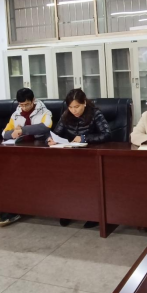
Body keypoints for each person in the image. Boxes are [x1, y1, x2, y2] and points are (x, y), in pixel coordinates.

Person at [47, 88, 110, 228]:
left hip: (91, 157)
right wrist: (51, 140)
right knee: (63, 178)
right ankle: (67, 211)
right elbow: (56, 133)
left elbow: (106, 134)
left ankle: (93, 214)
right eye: (70, 107)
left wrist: (84, 138)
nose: (73, 110)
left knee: (87, 181)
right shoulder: (66, 115)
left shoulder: (95, 114)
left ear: (84, 103)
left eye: (77, 107)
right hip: (71, 156)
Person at [0, 88, 53, 227]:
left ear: (33, 100)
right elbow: (4, 133)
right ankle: (11, 208)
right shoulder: (16, 114)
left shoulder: (44, 111)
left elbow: (46, 126)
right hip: (21, 150)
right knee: (9, 174)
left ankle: (16, 209)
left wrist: (23, 130)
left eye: (27, 104)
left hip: (40, 150)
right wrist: (12, 134)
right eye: (21, 104)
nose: (24, 107)